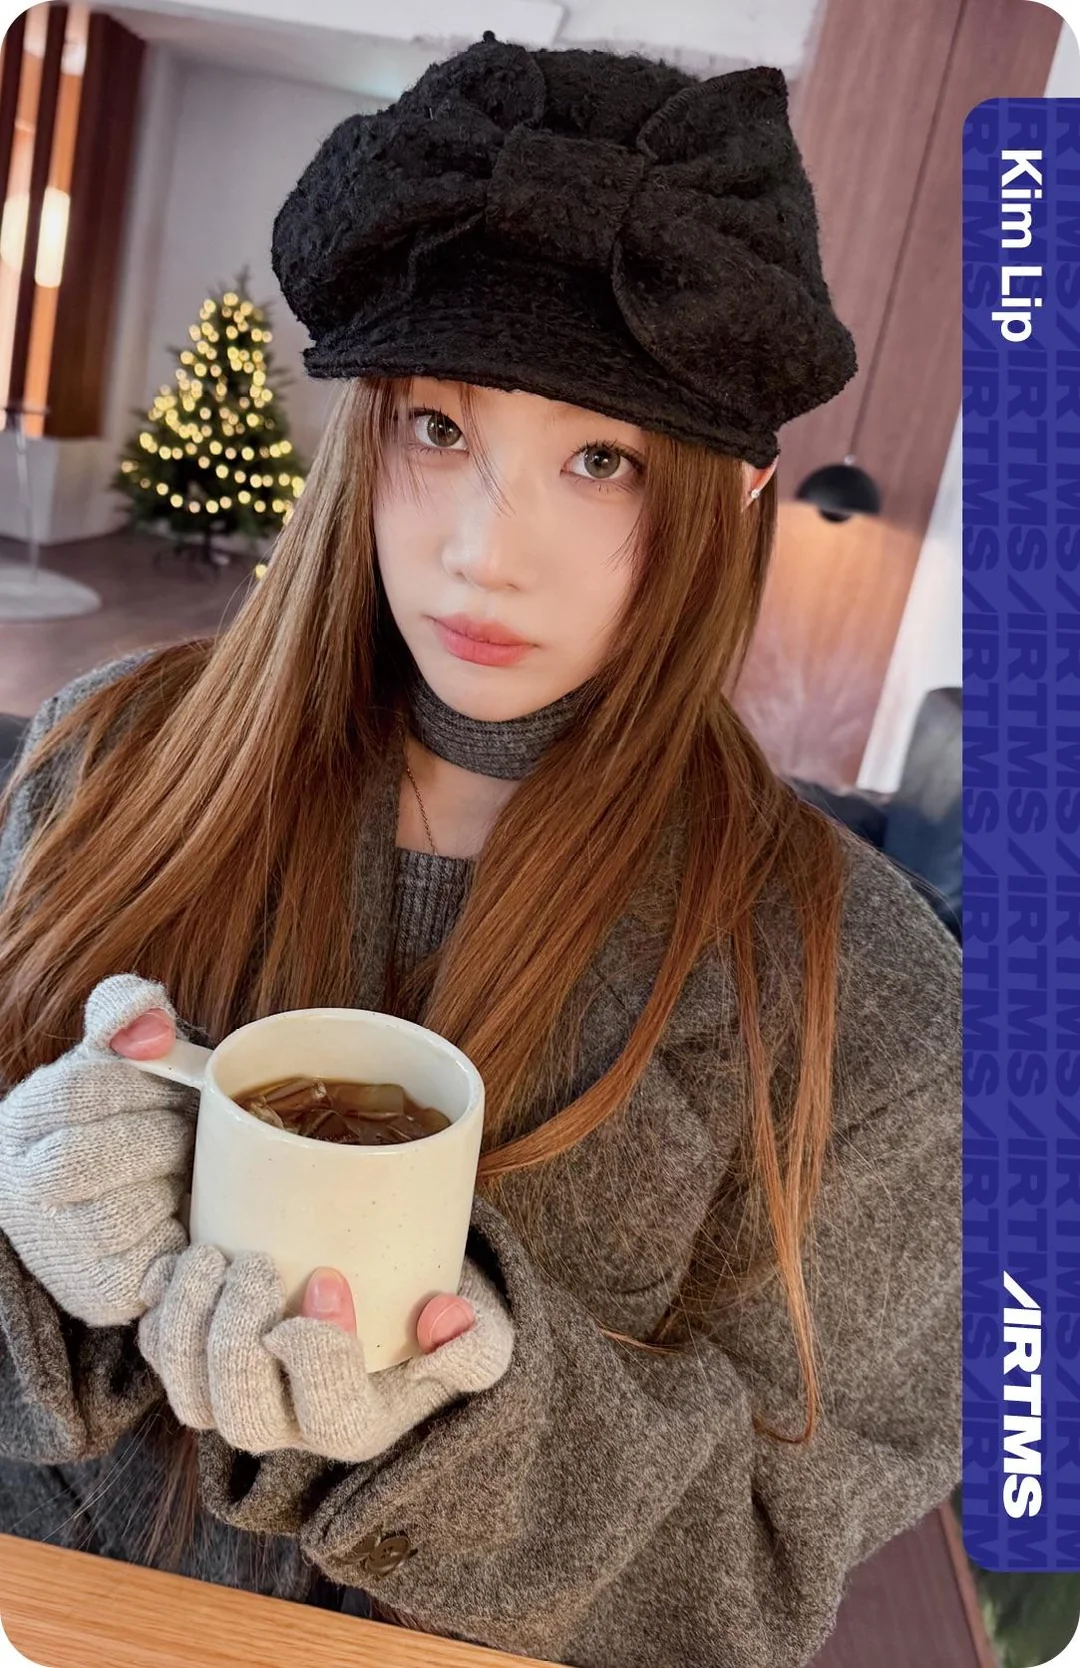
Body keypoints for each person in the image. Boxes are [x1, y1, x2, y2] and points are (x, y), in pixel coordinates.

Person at [0, 34, 961, 1668]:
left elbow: (766, 1569)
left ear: (735, 494)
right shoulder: (105, 763)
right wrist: (35, 1244)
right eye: (439, 428)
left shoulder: (869, 1000)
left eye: (600, 460)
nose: (480, 554)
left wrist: (466, 1429)